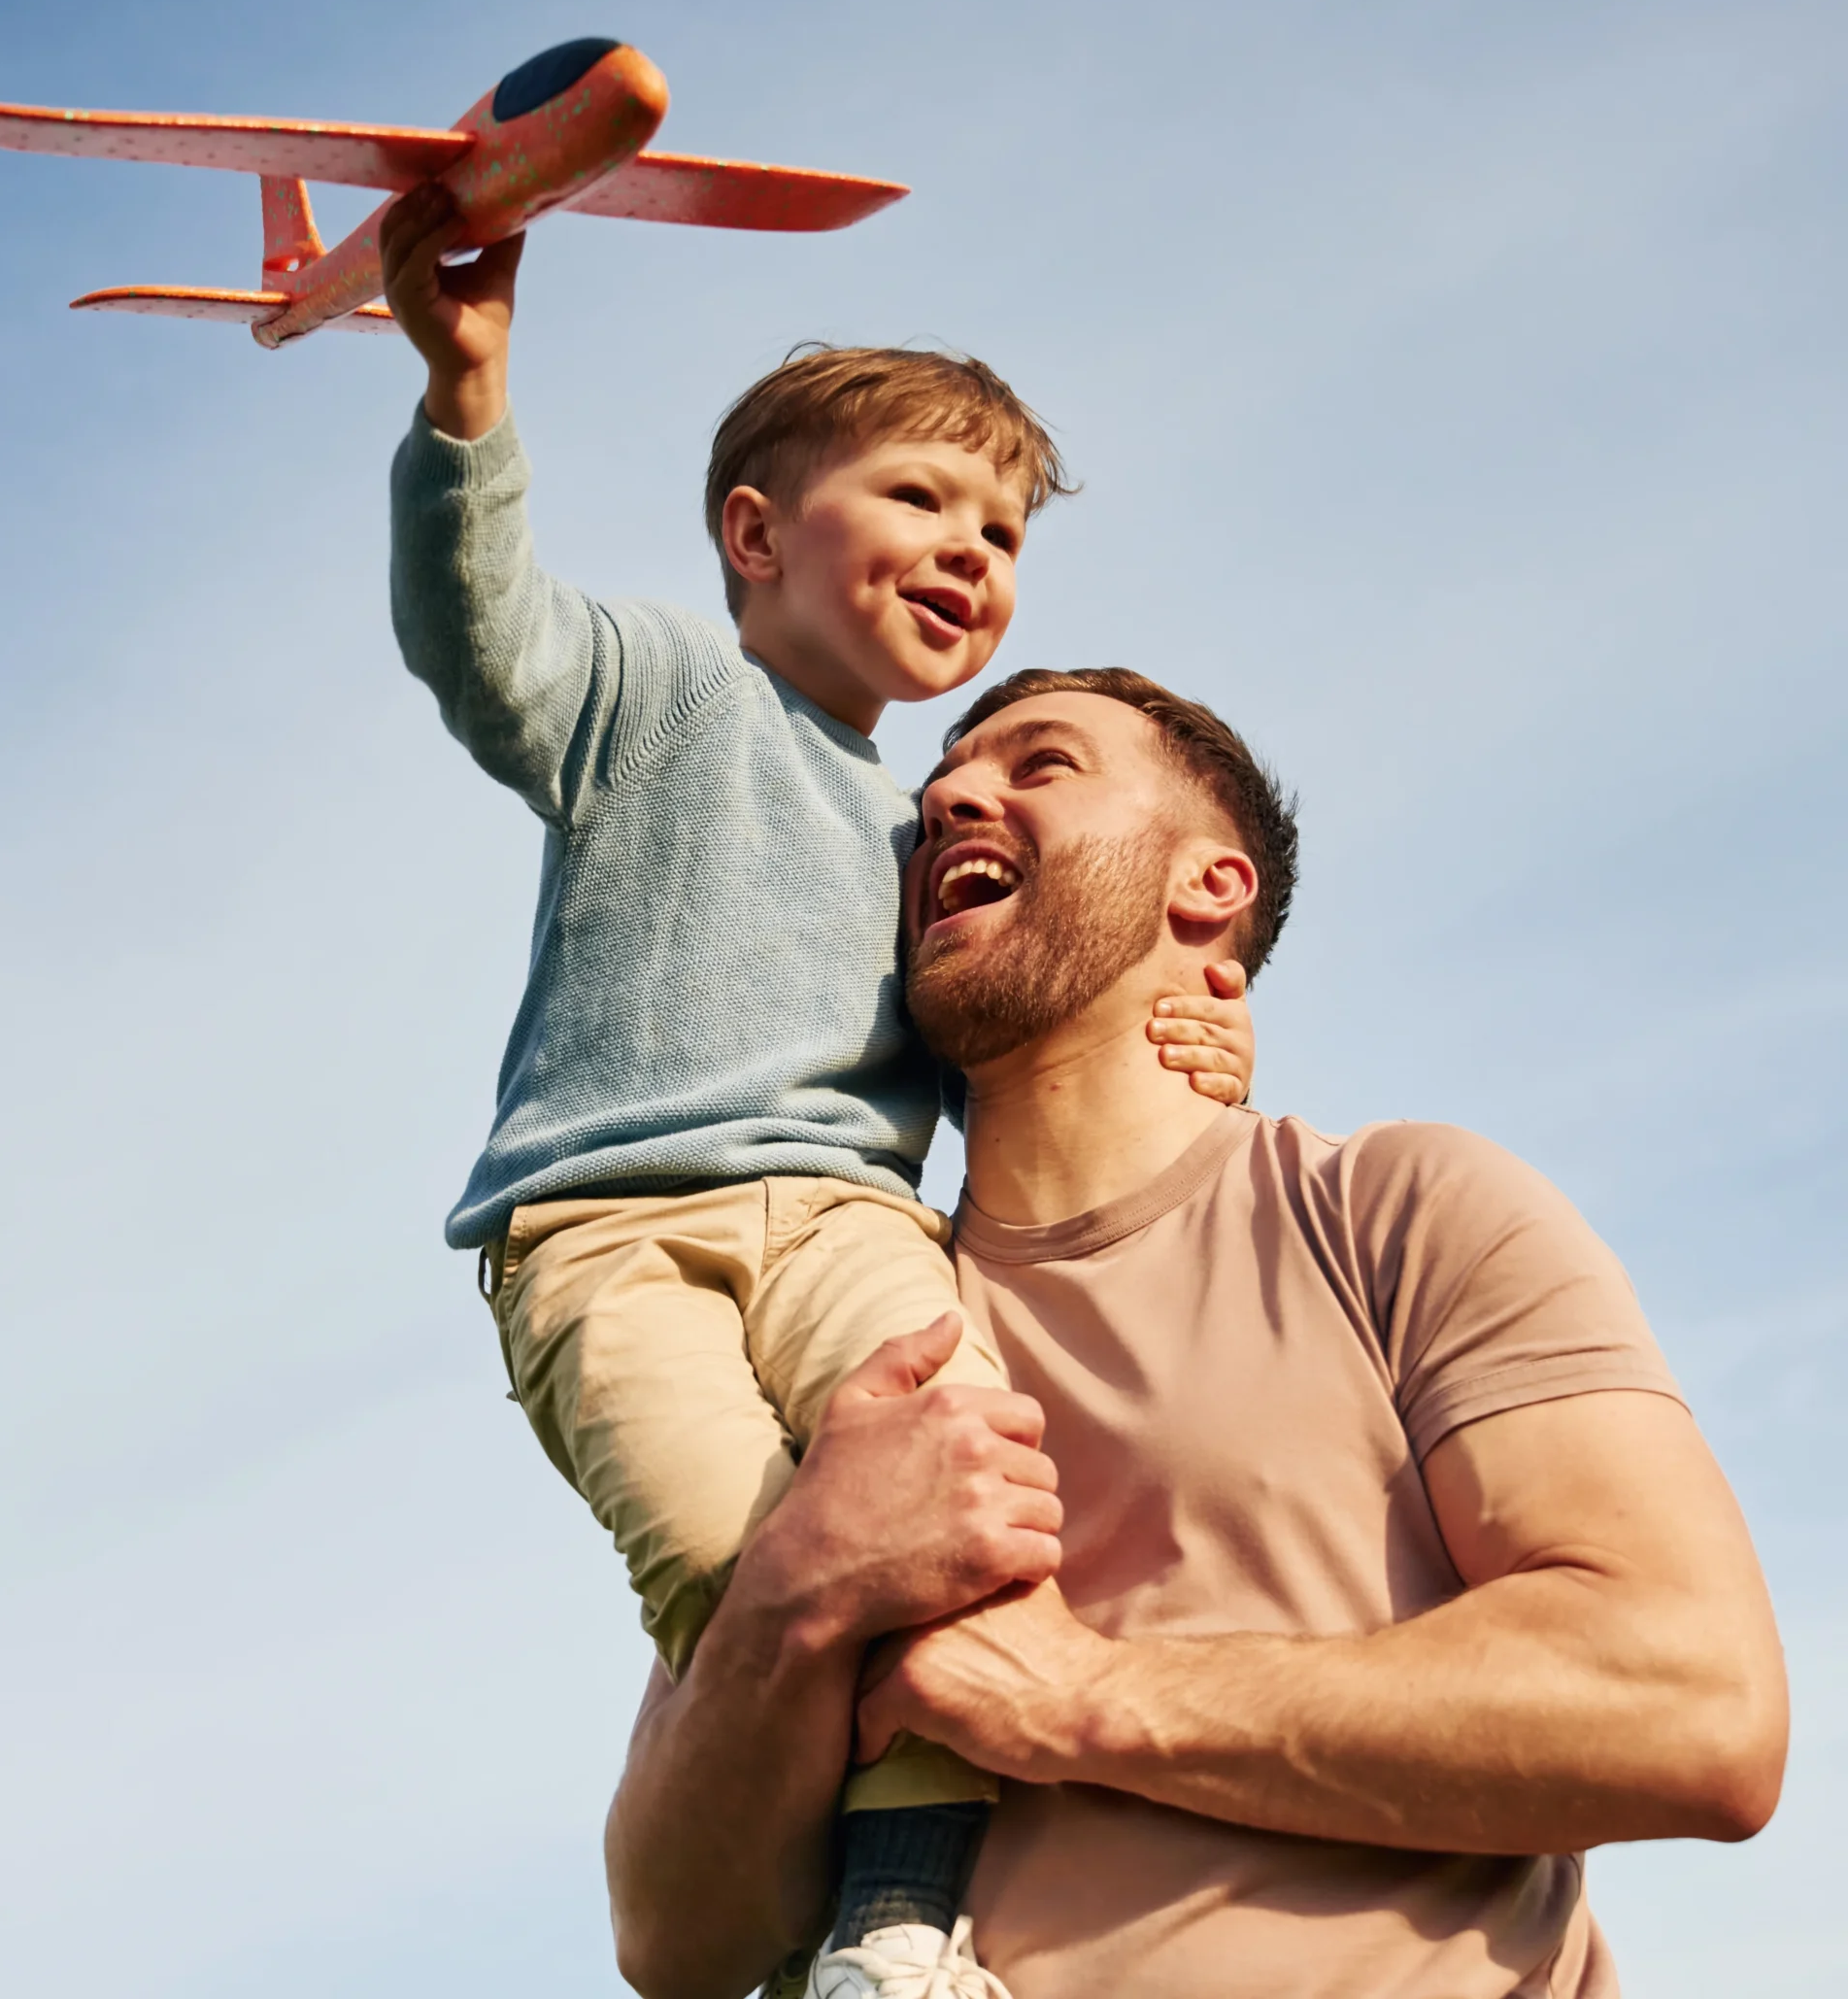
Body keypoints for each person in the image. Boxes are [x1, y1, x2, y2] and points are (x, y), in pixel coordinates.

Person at [377, 191, 1256, 1999]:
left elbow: (1023, 1036)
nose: (972, 549)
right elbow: (482, 638)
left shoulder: (937, 830)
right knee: (744, 1566)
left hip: (853, 1223)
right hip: (608, 1235)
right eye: (923, 499)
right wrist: (467, 397)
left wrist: (1202, 1025)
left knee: (973, 1510)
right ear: (757, 534)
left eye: (1001, 528)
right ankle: (780, 1915)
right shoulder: (661, 687)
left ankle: (902, 1925)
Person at [608, 667, 1789, 1999]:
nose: (946, 796)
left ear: (1208, 888)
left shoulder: (1396, 1210)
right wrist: (801, 1588)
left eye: (1040, 764)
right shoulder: (828, 1315)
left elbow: (1696, 1709)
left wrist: (1079, 1699)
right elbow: (673, 1942)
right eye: (942, 783)